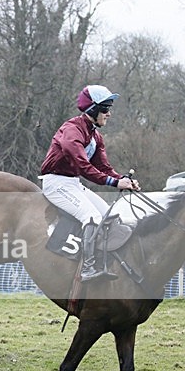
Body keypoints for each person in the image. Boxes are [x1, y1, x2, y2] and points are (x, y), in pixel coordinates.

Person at [40, 85, 139, 282]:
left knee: (108, 215)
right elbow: (83, 166)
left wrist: (123, 180)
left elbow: (104, 167)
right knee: (92, 217)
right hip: (56, 183)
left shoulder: (95, 135)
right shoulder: (71, 130)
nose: (109, 114)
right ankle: (87, 268)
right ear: (92, 109)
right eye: (105, 109)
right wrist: (113, 183)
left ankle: (103, 262)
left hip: (72, 183)